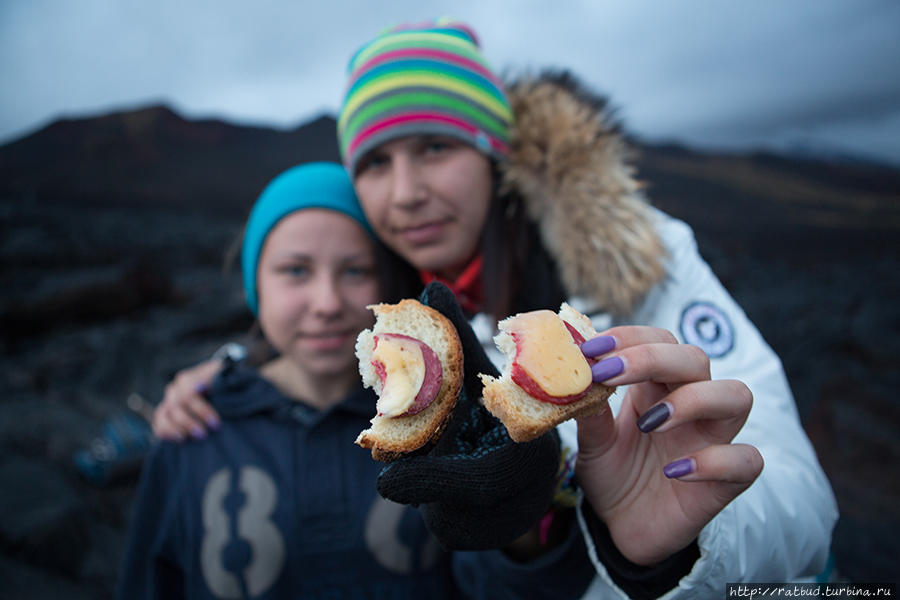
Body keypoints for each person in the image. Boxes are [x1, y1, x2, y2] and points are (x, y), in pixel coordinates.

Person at [153, 20, 838, 598]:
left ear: (493, 154)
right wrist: (234, 375)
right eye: (375, 163)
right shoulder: (400, 320)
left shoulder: (632, 260)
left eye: (435, 147)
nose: (405, 194)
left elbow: (798, 495)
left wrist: (692, 541)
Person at [118, 162, 594, 598]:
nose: (326, 302)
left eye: (355, 270)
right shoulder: (189, 435)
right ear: (253, 285)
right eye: (295, 270)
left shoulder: (446, 428)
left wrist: (528, 520)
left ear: (388, 283)